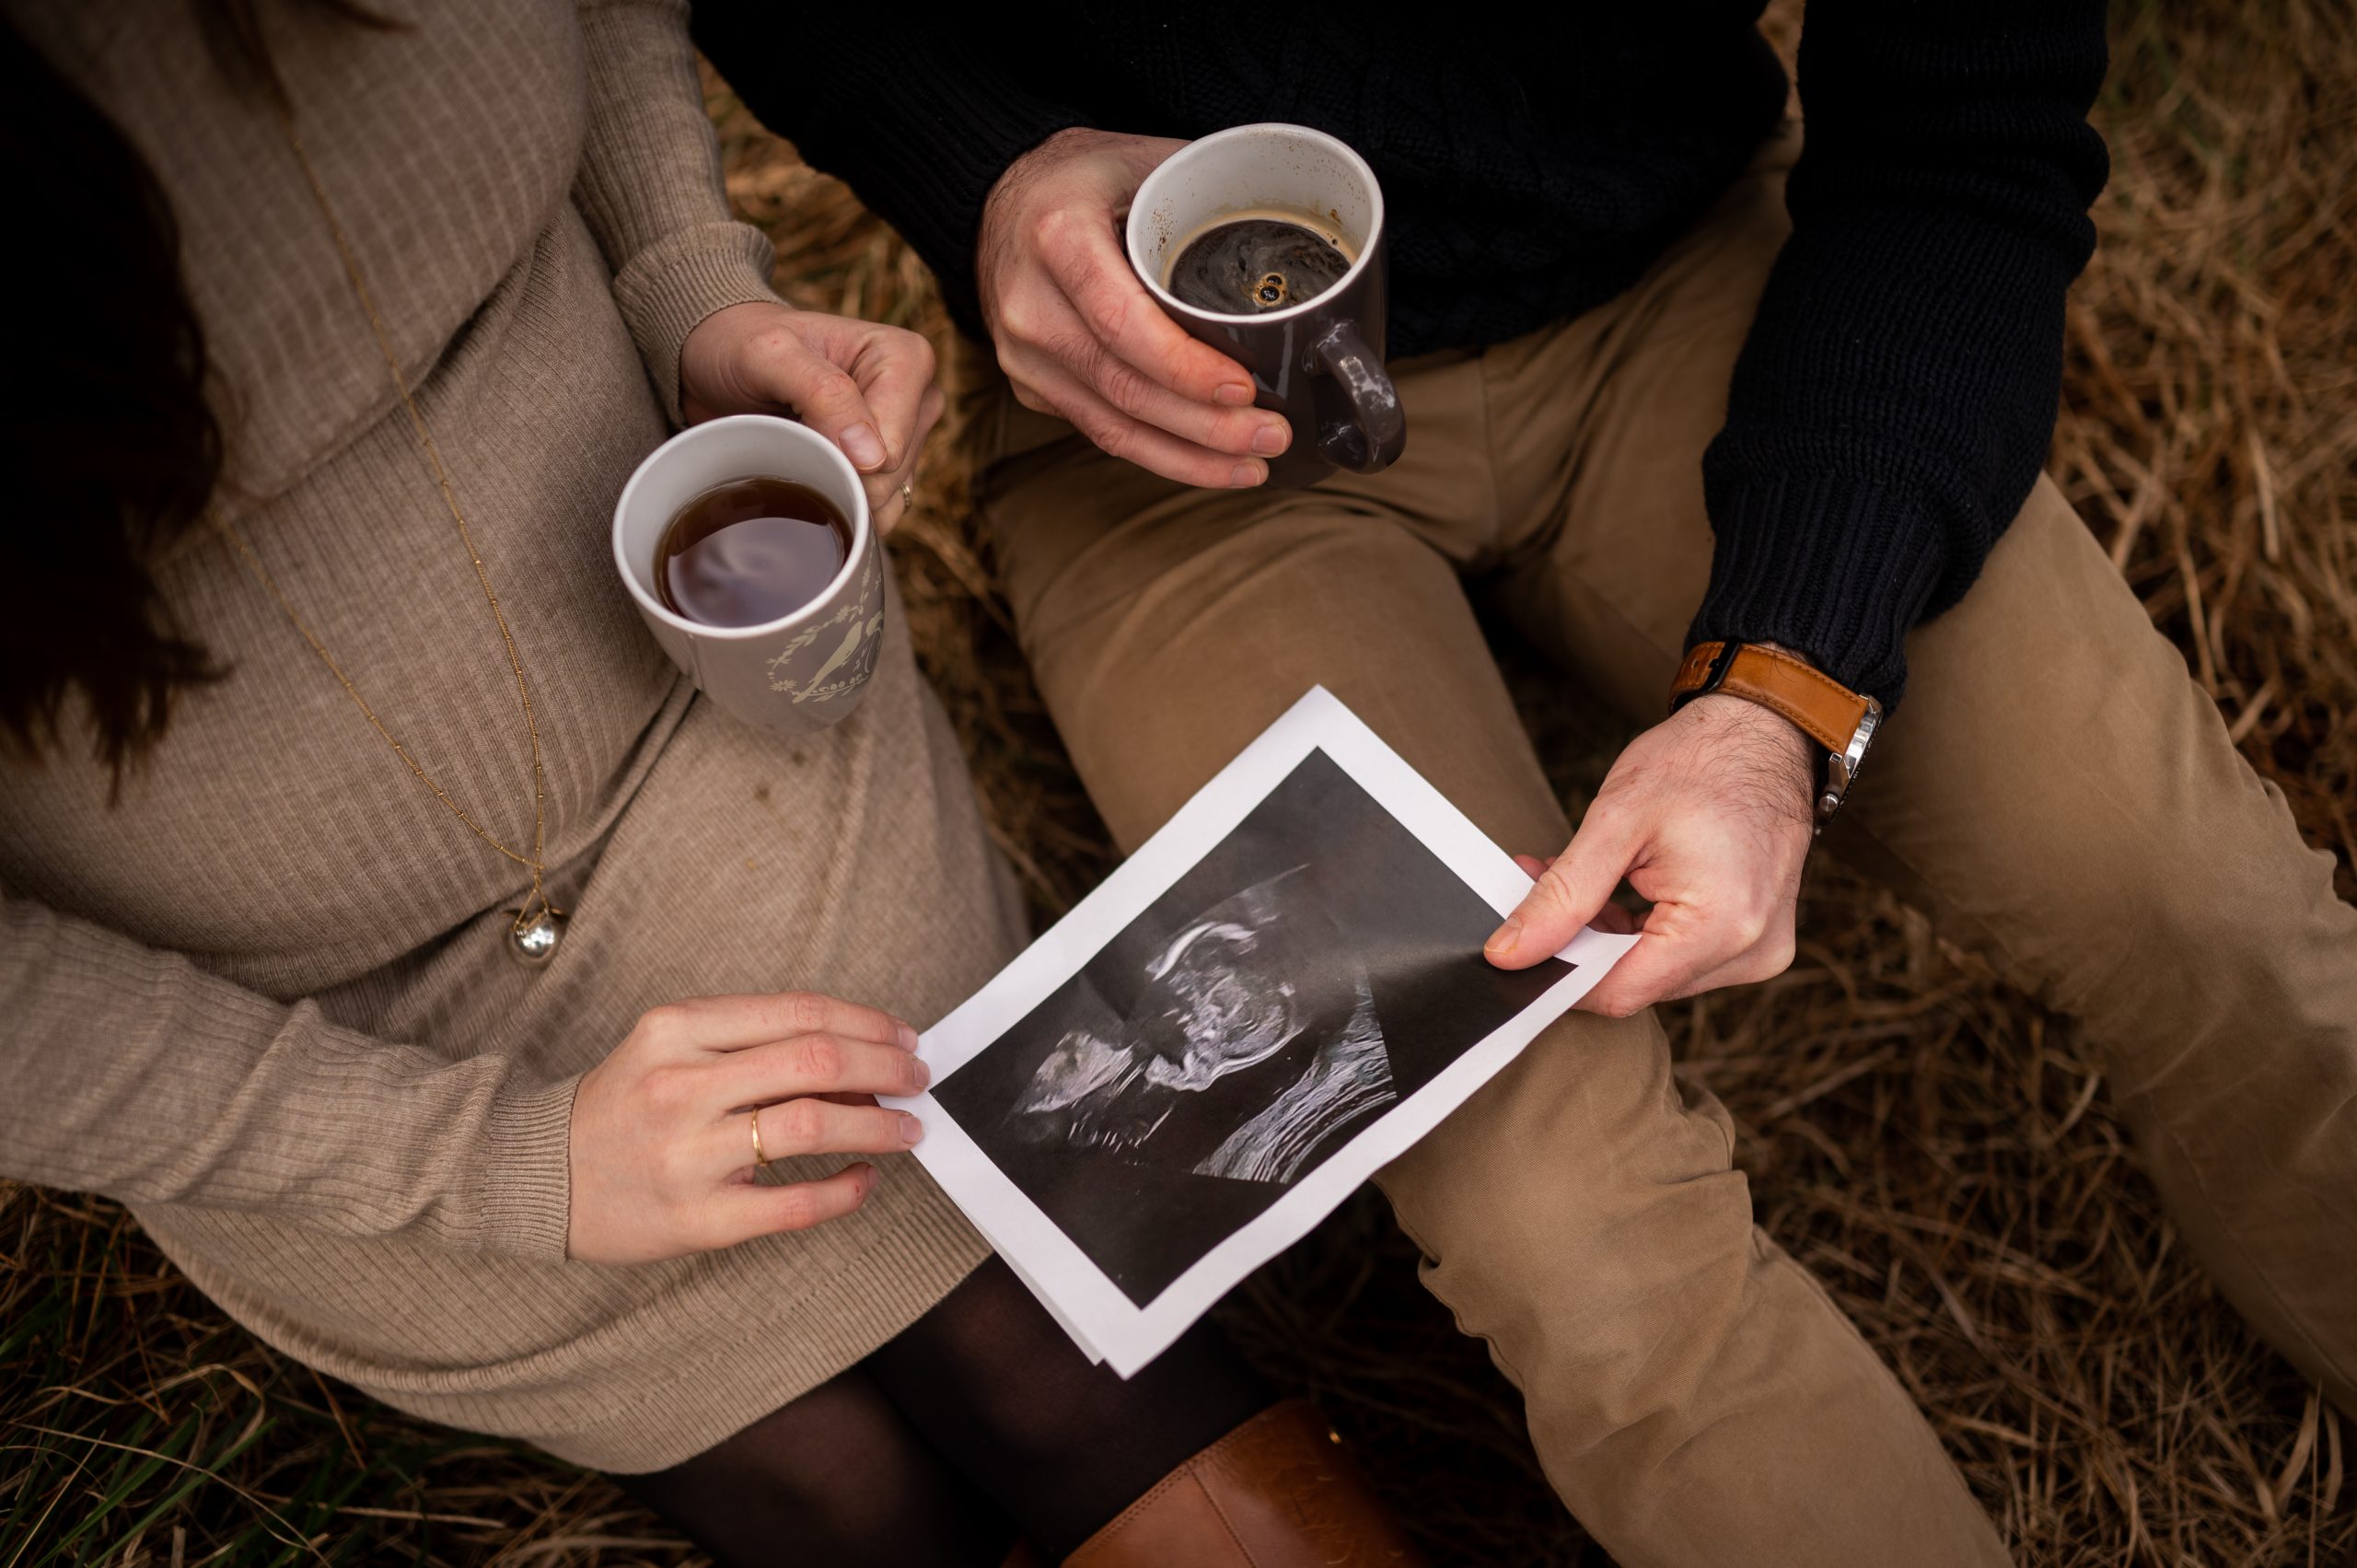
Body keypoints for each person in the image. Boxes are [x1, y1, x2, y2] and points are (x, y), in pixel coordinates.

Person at [696, 6, 2357, 1564]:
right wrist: (983, 167)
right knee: (1570, 1229)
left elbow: (1967, 122)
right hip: (1173, 425)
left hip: (1699, 286)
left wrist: (1783, 682)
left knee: (2183, 893)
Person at [0, 5, 1427, 1564]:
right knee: (845, 1497)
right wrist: (510, 1170)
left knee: (1049, 1355)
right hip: (291, 1037)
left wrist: (689, 290)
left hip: (733, 734)